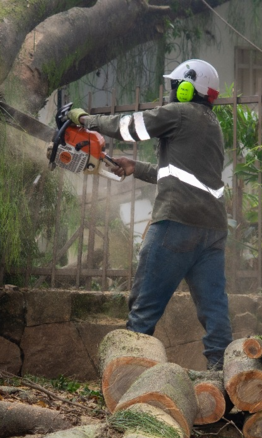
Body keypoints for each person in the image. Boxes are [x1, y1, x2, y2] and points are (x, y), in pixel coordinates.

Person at [67, 59, 233, 371]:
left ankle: (129, 374)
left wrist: (88, 121)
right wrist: (136, 168)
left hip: (176, 223)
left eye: (175, 85)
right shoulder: (212, 124)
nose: (172, 91)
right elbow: (183, 175)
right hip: (212, 229)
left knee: (144, 306)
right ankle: (223, 373)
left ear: (187, 88)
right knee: (214, 307)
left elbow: (128, 127)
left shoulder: (180, 113)